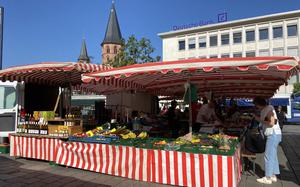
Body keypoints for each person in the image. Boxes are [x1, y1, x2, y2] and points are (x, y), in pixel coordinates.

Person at [253, 97, 282, 184]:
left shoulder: (269, 108)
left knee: (268, 156)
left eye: (256, 105)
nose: (256, 107)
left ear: (258, 104)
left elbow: (272, 122)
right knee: (273, 155)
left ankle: (268, 177)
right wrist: (258, 118)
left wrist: (260, 120)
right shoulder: (267, 109)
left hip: (273, 134)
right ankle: (273, 175)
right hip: (274, 134)